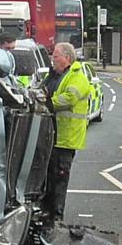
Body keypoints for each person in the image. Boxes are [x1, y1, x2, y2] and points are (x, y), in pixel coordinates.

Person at [40, 42, 90, 227]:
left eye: (56, 57)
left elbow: (69, 99)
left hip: (65, 139)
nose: (53, 60)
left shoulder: (77, 77)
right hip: (50, 136)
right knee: (47, 178)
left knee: (59, 179)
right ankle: (47, 214)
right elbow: (40, 91)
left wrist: (47, 103)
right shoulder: (54, 76)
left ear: (67, 58)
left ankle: (57, 219)